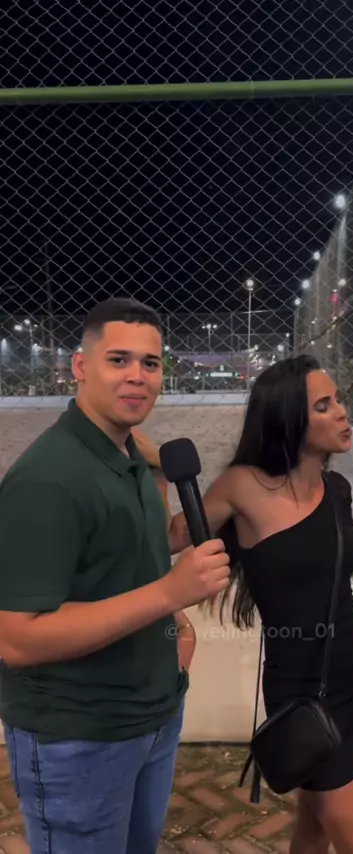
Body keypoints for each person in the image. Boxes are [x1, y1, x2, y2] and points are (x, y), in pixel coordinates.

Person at [167, 355, 353, 854]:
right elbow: (173, 536)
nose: (343, 413)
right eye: (323, 406)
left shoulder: (336, 489)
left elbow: (351, 536)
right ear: (288, 419)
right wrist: (155, 475)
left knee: (313, 828)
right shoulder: (243, 485)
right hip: (299, 692)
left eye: (338, 400)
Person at [0, 297, 230, 854]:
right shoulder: (48, 480)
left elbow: (136, 548)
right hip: (79, 737)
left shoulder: (128, 459)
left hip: (150, 716)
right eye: (118, 360)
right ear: (81, 367)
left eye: (150, 363)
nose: (137, 376)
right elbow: (17, 639)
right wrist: (171, 593)